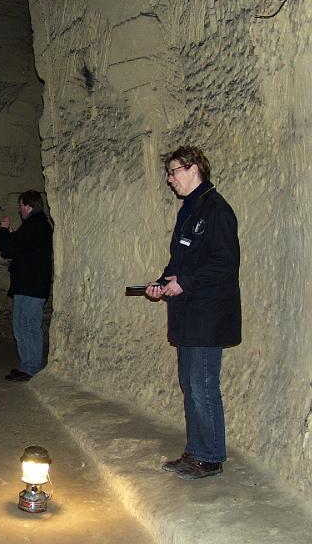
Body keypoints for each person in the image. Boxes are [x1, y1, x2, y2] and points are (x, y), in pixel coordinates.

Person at [145, 146, 240, 480]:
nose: (170, 180)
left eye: (174, 172)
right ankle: (196, 451)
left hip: (208, 315)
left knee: (203, 386)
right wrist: (162, 282)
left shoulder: (216, 210)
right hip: (189, 314)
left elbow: (226, 262)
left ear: (194, 168)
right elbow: (180, 261)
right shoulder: (189, 211)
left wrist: (184, 282)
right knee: (190, 384)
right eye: (169, 173)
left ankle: (210, 457)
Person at [0, 190, 53, 381]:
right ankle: (26, 366)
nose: (19, 210)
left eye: (20, 205)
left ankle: (31, 368)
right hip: (27, 285)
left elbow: (8, 248)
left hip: (31, 286)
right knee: (21, 326)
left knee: (28, 326)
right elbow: (22, 247)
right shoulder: (34, 226)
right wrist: (13, 236)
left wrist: (3, 230)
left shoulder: (35, 225)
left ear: (28, 205)